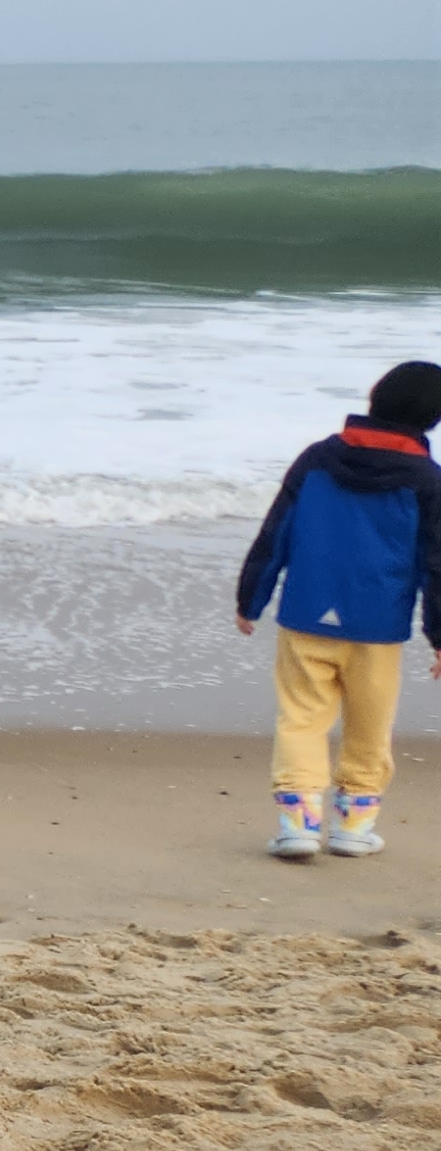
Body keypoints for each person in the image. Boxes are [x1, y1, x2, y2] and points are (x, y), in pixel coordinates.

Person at [236, 360, 441, 860]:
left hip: (307, 614)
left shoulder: (317, 459)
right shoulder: (427, 480)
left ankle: (299, 826)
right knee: (370, 725)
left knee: (302, 720)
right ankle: (353, 827)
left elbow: (276, 531)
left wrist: (251, 598)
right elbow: (436, 564)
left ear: (375, 397)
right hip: (378, 626)